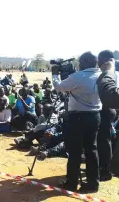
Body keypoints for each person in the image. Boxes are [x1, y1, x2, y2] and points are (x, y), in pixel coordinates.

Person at [52, 51, 102, 193]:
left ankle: (71, 183)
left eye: (80, 62)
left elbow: (59, 87)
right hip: (95, 116)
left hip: (77, 118)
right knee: (92, 149)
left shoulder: (78, 77)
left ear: (85, 62)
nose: (79, 64)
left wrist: (55, 74)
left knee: (75, 151)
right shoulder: (101, 76)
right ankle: (93, 184)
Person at [96, 50, 118, 181]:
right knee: (105, 140)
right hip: (111, 110)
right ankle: (104, 167)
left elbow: (110, 94)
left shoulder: (108, 73)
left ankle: (104, 169)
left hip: (106, 108)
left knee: (103, 140)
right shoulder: (114, 72)